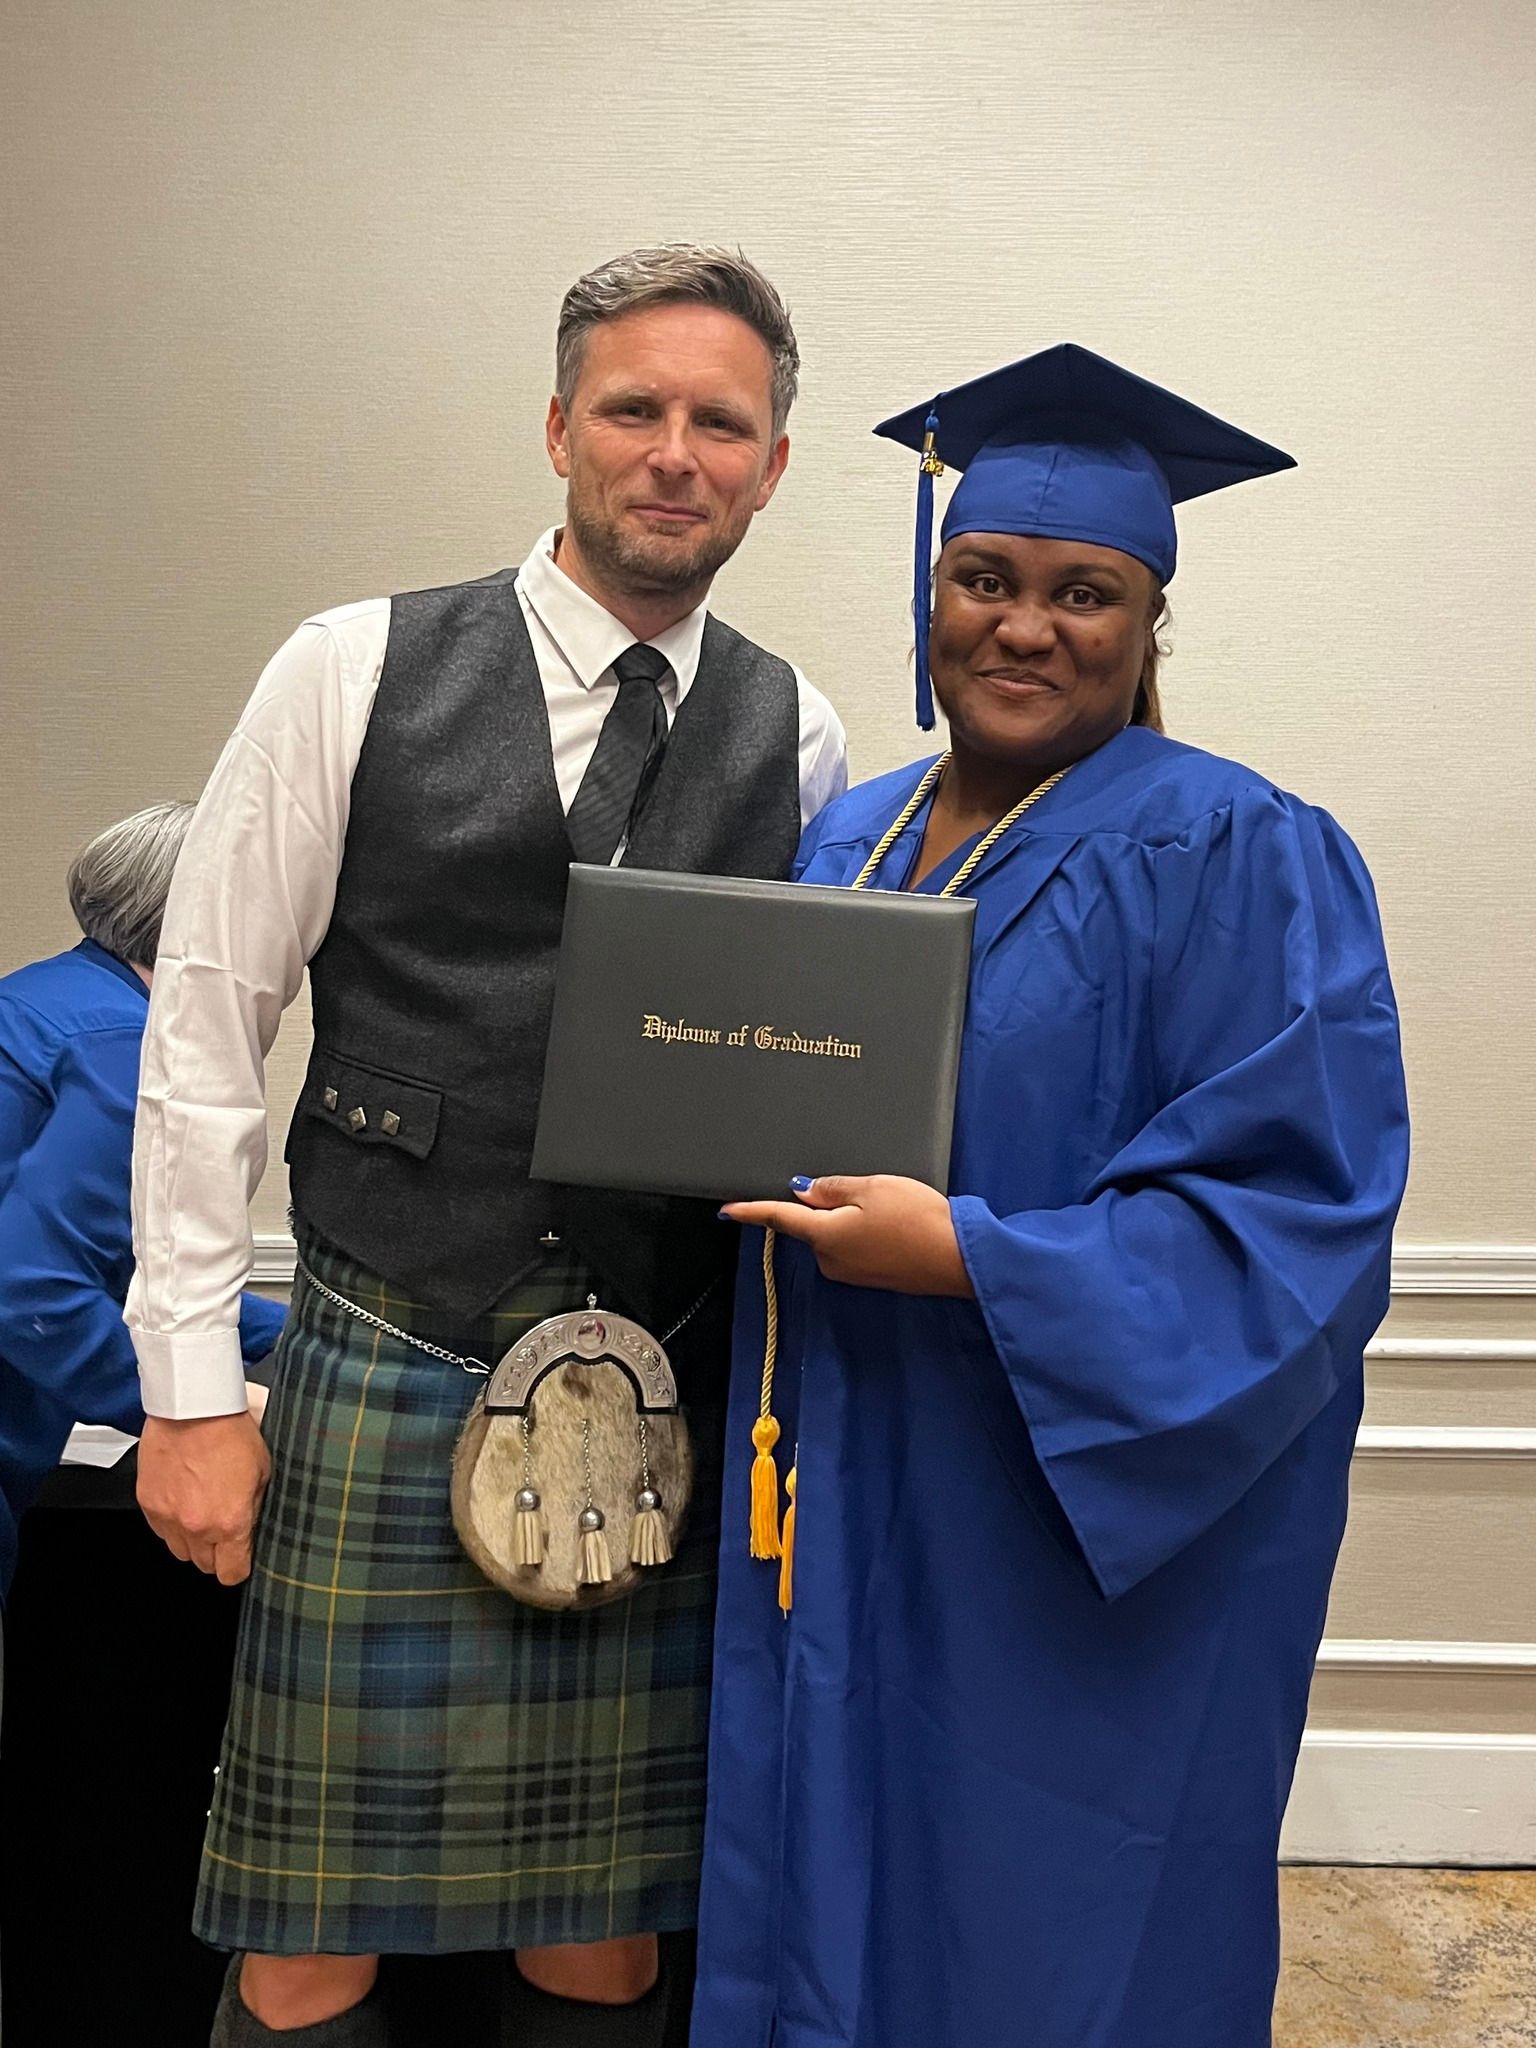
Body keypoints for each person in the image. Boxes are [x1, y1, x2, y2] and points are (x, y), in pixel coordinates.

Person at [126, 245, 846, 2047]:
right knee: (305, 1940)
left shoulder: (803, 735)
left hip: (655, 1384)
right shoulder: (350, 662)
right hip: (387, 1342)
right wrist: (191, 1387)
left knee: (600, 1935)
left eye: (720, 421)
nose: (673, 450)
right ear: (557, 427)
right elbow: (209, 1026)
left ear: (770, 464)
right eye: (633, 408)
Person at [693, 345, 1409, 2048]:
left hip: (1070, 1521)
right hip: (845, 1462)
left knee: (1046, 1918)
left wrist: (973, 1258)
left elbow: (1295, 1216)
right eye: (985, 579)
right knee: (827, 1858)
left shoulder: (1237, 846)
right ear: (932, 589)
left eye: (1084, 593)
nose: (1024, 626)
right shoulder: (847, 839)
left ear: (1150, 619)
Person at [0, 802, 285, 2047]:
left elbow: (135, 1271)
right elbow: (30, 1284)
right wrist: (195, 1407)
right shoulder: (128, 1044)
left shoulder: (46, 1001)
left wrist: (315, 1330)